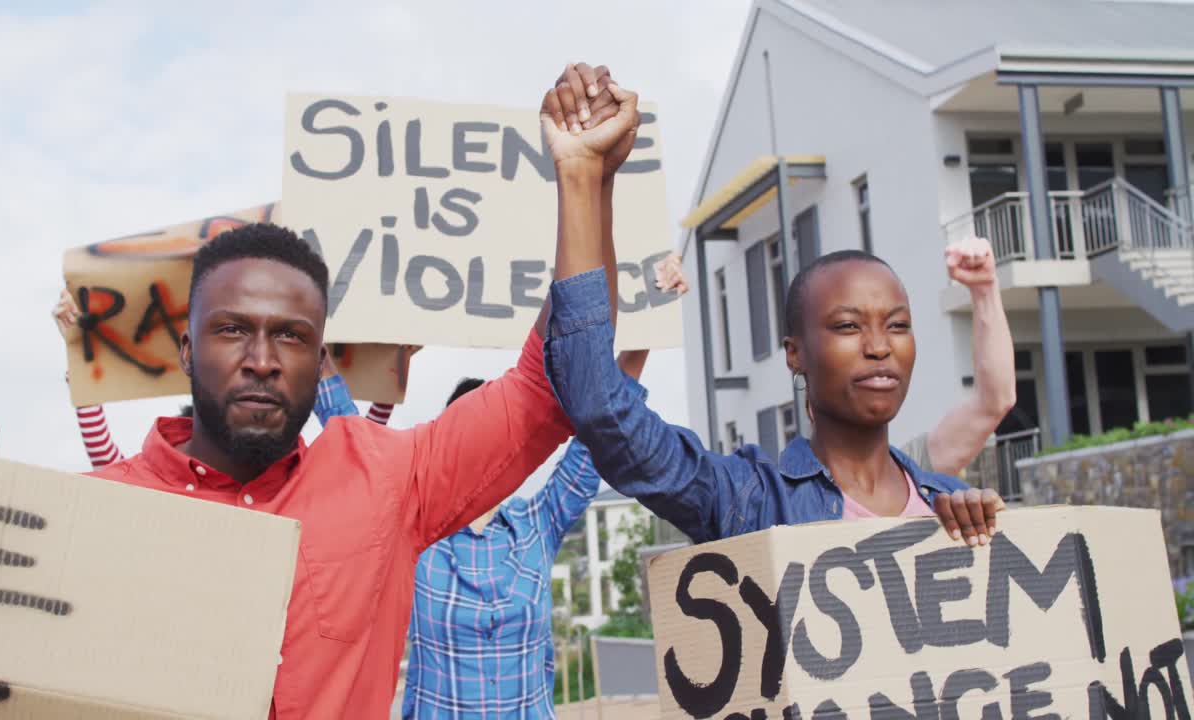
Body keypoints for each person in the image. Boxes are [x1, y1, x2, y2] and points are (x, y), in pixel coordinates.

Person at [0, 61, 640, 718]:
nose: (262, 358)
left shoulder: (388, 480)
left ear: (318, 356)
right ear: (186, 349)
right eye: (233, 330)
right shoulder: (99, 514)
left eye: (290, 335)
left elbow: (553, 384)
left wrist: (583, 181)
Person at [537, 73, 1004, 548]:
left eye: (898, 326)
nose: (880, 346)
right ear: (795, 354)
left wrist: (989, 533)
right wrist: (584, 178)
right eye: (847, 326)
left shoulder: (949, 504)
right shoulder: (746, 499)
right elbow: (599, 405)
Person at [401, 255, 687, 719]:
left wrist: (648, 321)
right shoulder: (417, 533)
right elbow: (348, 447)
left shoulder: (537, 524)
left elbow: (600, 435)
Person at [50, 289, 408, 468]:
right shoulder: (163, 493)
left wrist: (387, 381)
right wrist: (82, 367)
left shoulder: (287, 495)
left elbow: (359, 460)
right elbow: (110, 467)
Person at [896, 236, 1015, 477]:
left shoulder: (903, 470)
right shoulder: (797, 491)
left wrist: (984, 291)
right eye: (846, 327)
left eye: (895, 326)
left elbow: (993, 402)